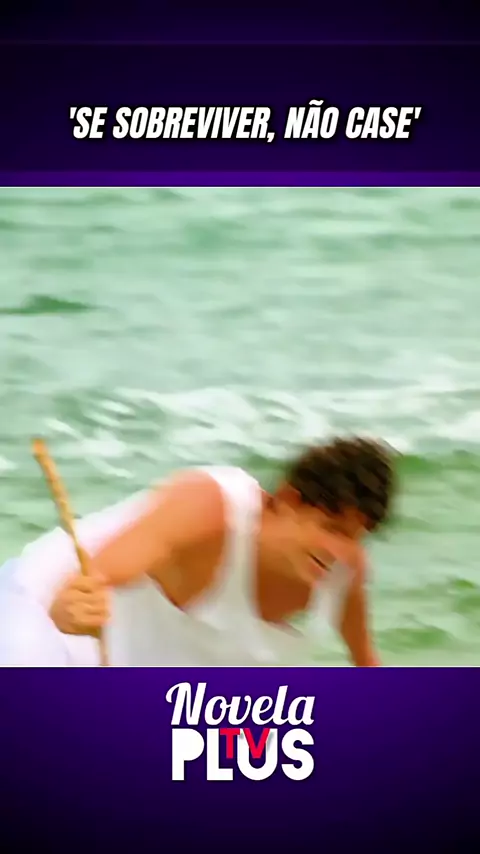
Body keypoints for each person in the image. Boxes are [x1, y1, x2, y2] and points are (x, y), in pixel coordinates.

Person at [0, 436, 396, 666]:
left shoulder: (343, 571)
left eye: (354, 537)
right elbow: (93, 578)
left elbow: (367, 665)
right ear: (290, 500)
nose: (339, 551)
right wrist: (71, 606)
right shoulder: (210, 507)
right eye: (330, 528)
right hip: (38, 609)